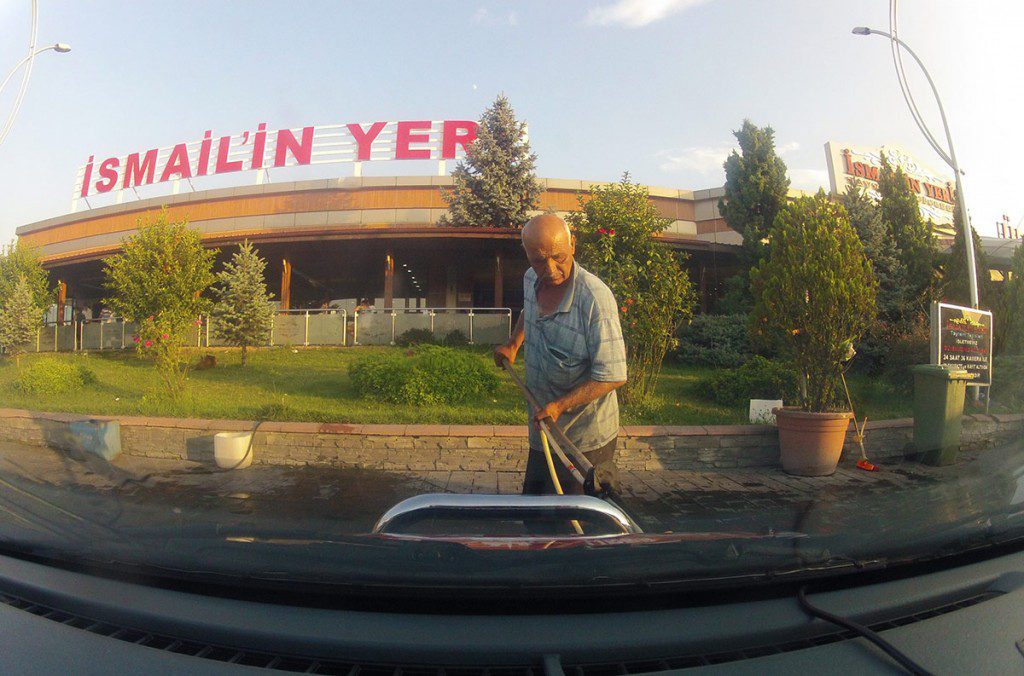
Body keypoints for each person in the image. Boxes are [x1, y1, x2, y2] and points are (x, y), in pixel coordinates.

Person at [493, 214, 627, 496]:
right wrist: (514, 344)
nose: (550, 269)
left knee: (582, 522)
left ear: (573, 245)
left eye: (559, 257)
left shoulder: (595, 299)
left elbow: (613, 376)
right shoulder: (532, 278)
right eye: (539, 260)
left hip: (585, 439)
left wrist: (559, 406)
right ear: (527, 254)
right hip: (543, 428)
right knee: (538, 513)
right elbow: (529, 310)